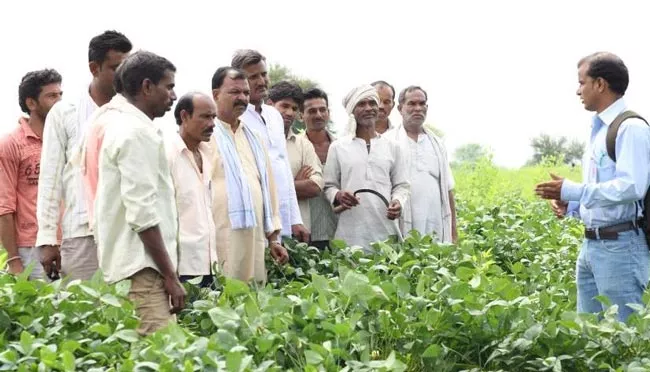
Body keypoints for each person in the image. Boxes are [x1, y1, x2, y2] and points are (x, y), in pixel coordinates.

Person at [535, 52, 650, 322]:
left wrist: (573, 190)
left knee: (623, 335)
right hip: (591, 245)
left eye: (581, 82)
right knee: (590, 337)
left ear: (600, 84)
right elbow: (602, 188)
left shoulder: (630, 128)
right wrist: (572, 204)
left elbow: (631, 187)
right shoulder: (598, 130)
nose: (578, 91)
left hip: (620, 247)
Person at [93, 51, 184, 335]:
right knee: (161, 356)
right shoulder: (135, 133)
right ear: (146, 87)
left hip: (137, 268)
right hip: (143, 272)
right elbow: (142, 215)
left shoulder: (130, 127)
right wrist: (170, 275)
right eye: (168, 87)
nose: (173, 95)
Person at [36, 30, 132, 281]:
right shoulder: (64, 113)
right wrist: (47, 238)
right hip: (81, 234)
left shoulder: (133, 112)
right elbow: (50, 178)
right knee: (84, 312)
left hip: (127, 234)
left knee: (128, 313)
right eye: (115, 68)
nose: (124, 76)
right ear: (94, 68)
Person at [209, 66, 287, 283]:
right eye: (234, 92)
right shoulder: (207, 136)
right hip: (220, 233)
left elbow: (269, 189)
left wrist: (274, 240)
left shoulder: (254, 138)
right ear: (216, 95)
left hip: (253, 234)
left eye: (245, 92)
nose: (242, 98)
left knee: (252, 299)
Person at [233, 50, 310, 243]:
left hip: (282, 219)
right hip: (255, 220)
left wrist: (295, 219)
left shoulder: (274, 115)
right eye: (253, 77)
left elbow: (282, 168)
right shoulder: (236, 118)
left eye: (263, 74)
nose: (261, 81)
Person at [323, 84, 410, 250]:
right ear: (352, 111)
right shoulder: (338, 147)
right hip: (350, 233)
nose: (368, 108)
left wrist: (398, 202)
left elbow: (402, 185)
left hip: (386, 229)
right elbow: (329, 186)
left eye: (372, 103)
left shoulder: (393, 147)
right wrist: (339, 195)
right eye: (361, 104)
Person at [0, 69, 63, 279]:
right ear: (31, 103)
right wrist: (13, 259)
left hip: (68, 242)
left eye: (60, 94)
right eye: (52, 96)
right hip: (32, 247)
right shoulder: (11, 144)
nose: (59, 101)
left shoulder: (66, 139)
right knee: (42, 308)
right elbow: (4, 206)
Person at [385, 86, 457, 243]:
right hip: (399, 223)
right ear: (400, 108)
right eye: (411, 104)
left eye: (421, 103)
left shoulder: (437, 144)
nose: (417, 108)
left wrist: (454, 234)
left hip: (435, 223)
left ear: (427, 107)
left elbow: (448, 190)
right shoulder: (387, 141)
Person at [167, 92, 218, 288]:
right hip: (181, 267)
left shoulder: (207, 153)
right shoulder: (168, 153)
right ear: (184, 116)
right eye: (205, 117)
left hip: (210, 263)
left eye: (213, 117)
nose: (212, 123)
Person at [267, 81, 323, 236]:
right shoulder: (257, 140)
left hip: (299, 233)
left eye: (294, 108)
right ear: (270, 105)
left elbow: (316, 186)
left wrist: (281, 185)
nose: (290, 113)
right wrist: (294, 183)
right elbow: (259, 187)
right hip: (267, 232)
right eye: (284, 106)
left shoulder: (303, 145)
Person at [301, 88, 338, 250]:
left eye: (322, 110)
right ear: (301, 115)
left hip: (339, 234)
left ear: (328, 113)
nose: (318, 115)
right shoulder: (294, 148)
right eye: (311, 111)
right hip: (306, 234)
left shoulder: (342, 148)